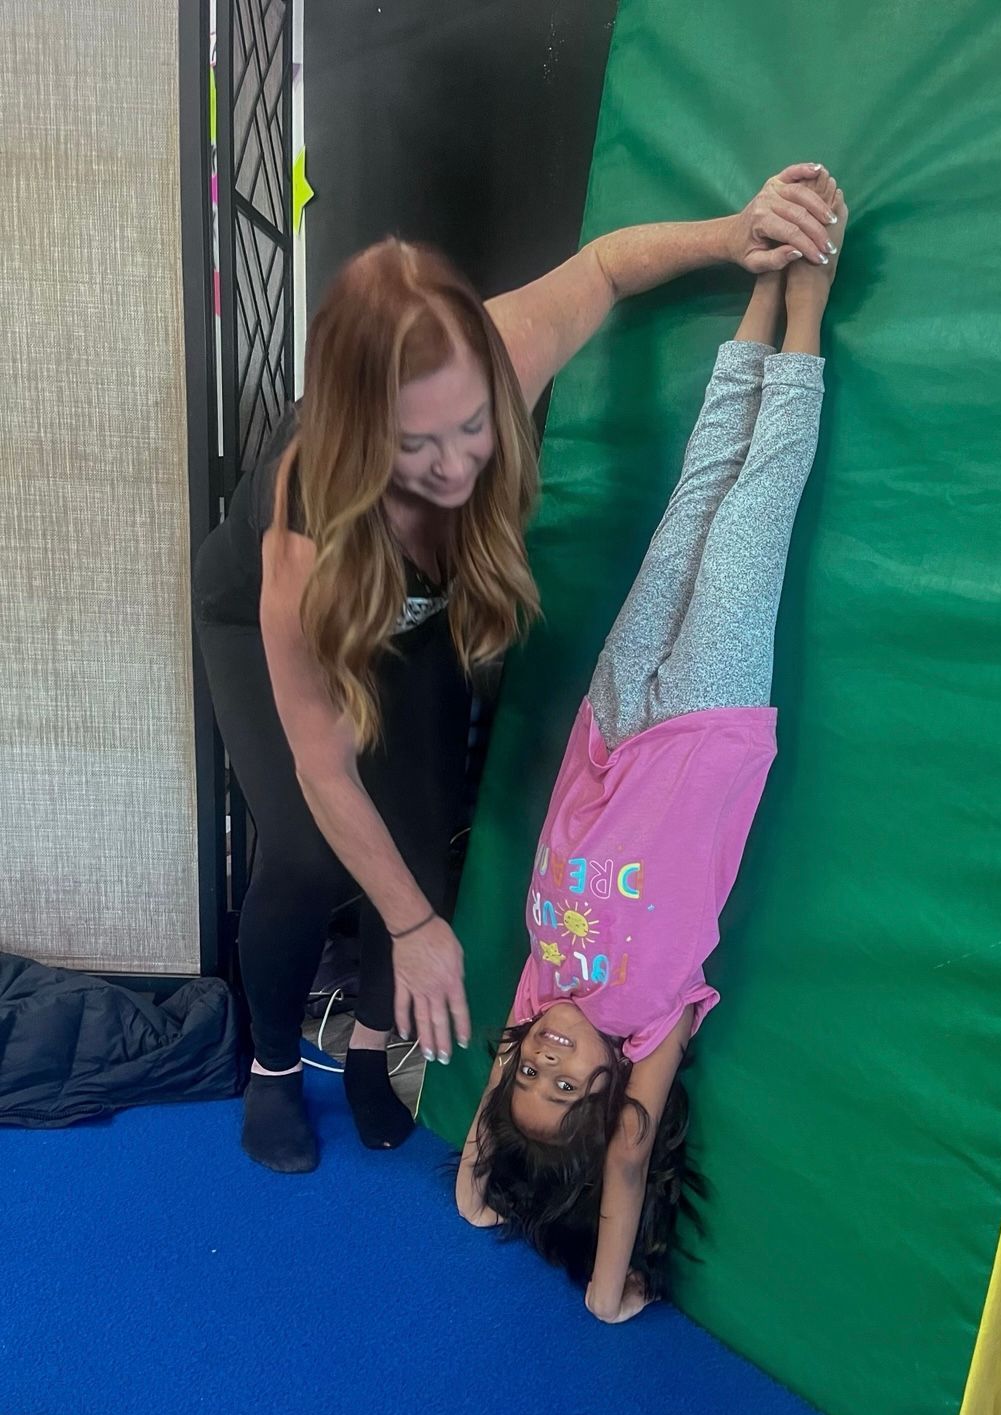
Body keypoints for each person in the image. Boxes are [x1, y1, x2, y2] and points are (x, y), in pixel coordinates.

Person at [193, 165, 841, 1175]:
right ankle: (274, 1066)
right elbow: (324, 771)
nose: (456, 469)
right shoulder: (303, 539)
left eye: (470, 430)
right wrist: (410, 928)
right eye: (415, 447)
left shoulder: (493, 355)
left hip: (411, 619)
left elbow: (608, 268)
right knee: (311, 847)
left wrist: (738, 232)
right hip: (277, 627)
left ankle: (372, 1049)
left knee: (423, 835)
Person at [455, 175, 847, 1322]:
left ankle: (762, 295)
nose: (551, 1058)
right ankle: (808, 310)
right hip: (711, 722)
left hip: (615, 716)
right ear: (609, 1090)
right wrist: (606, 1291)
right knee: (757, 504)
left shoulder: (543, 985)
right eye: (567, 1083)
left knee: (693, 502)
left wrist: (490, 1180)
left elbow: (483, 1189)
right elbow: (621, 1164)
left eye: (530, 1069)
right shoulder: (654, 1018)